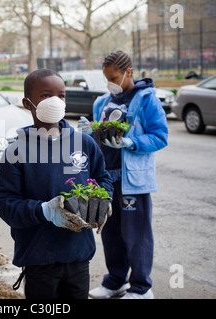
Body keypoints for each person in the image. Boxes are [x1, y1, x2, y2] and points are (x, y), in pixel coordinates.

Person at [0, 69, 114, 299]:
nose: (56, 101)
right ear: (28, 103)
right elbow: (4, 204)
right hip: (39, 257)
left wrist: (103, 200)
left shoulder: (84, 143)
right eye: (46, 95)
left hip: (79, 254)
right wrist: (44, 211)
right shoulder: (16, 152)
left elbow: (103, 179)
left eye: (61, 95)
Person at [78, 50, 168, 299]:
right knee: (111, 234)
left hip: (133, 182)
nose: (110, 82)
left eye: (114, 77)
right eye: (106, 77)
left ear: (129, 72)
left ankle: (141, 288)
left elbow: (160, 136)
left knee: (136, 235)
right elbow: (98, 139)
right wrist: (88, 134)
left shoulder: (146, 99)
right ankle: (115, 281)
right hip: (107, 180)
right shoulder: (101, 102)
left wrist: (131, 142)